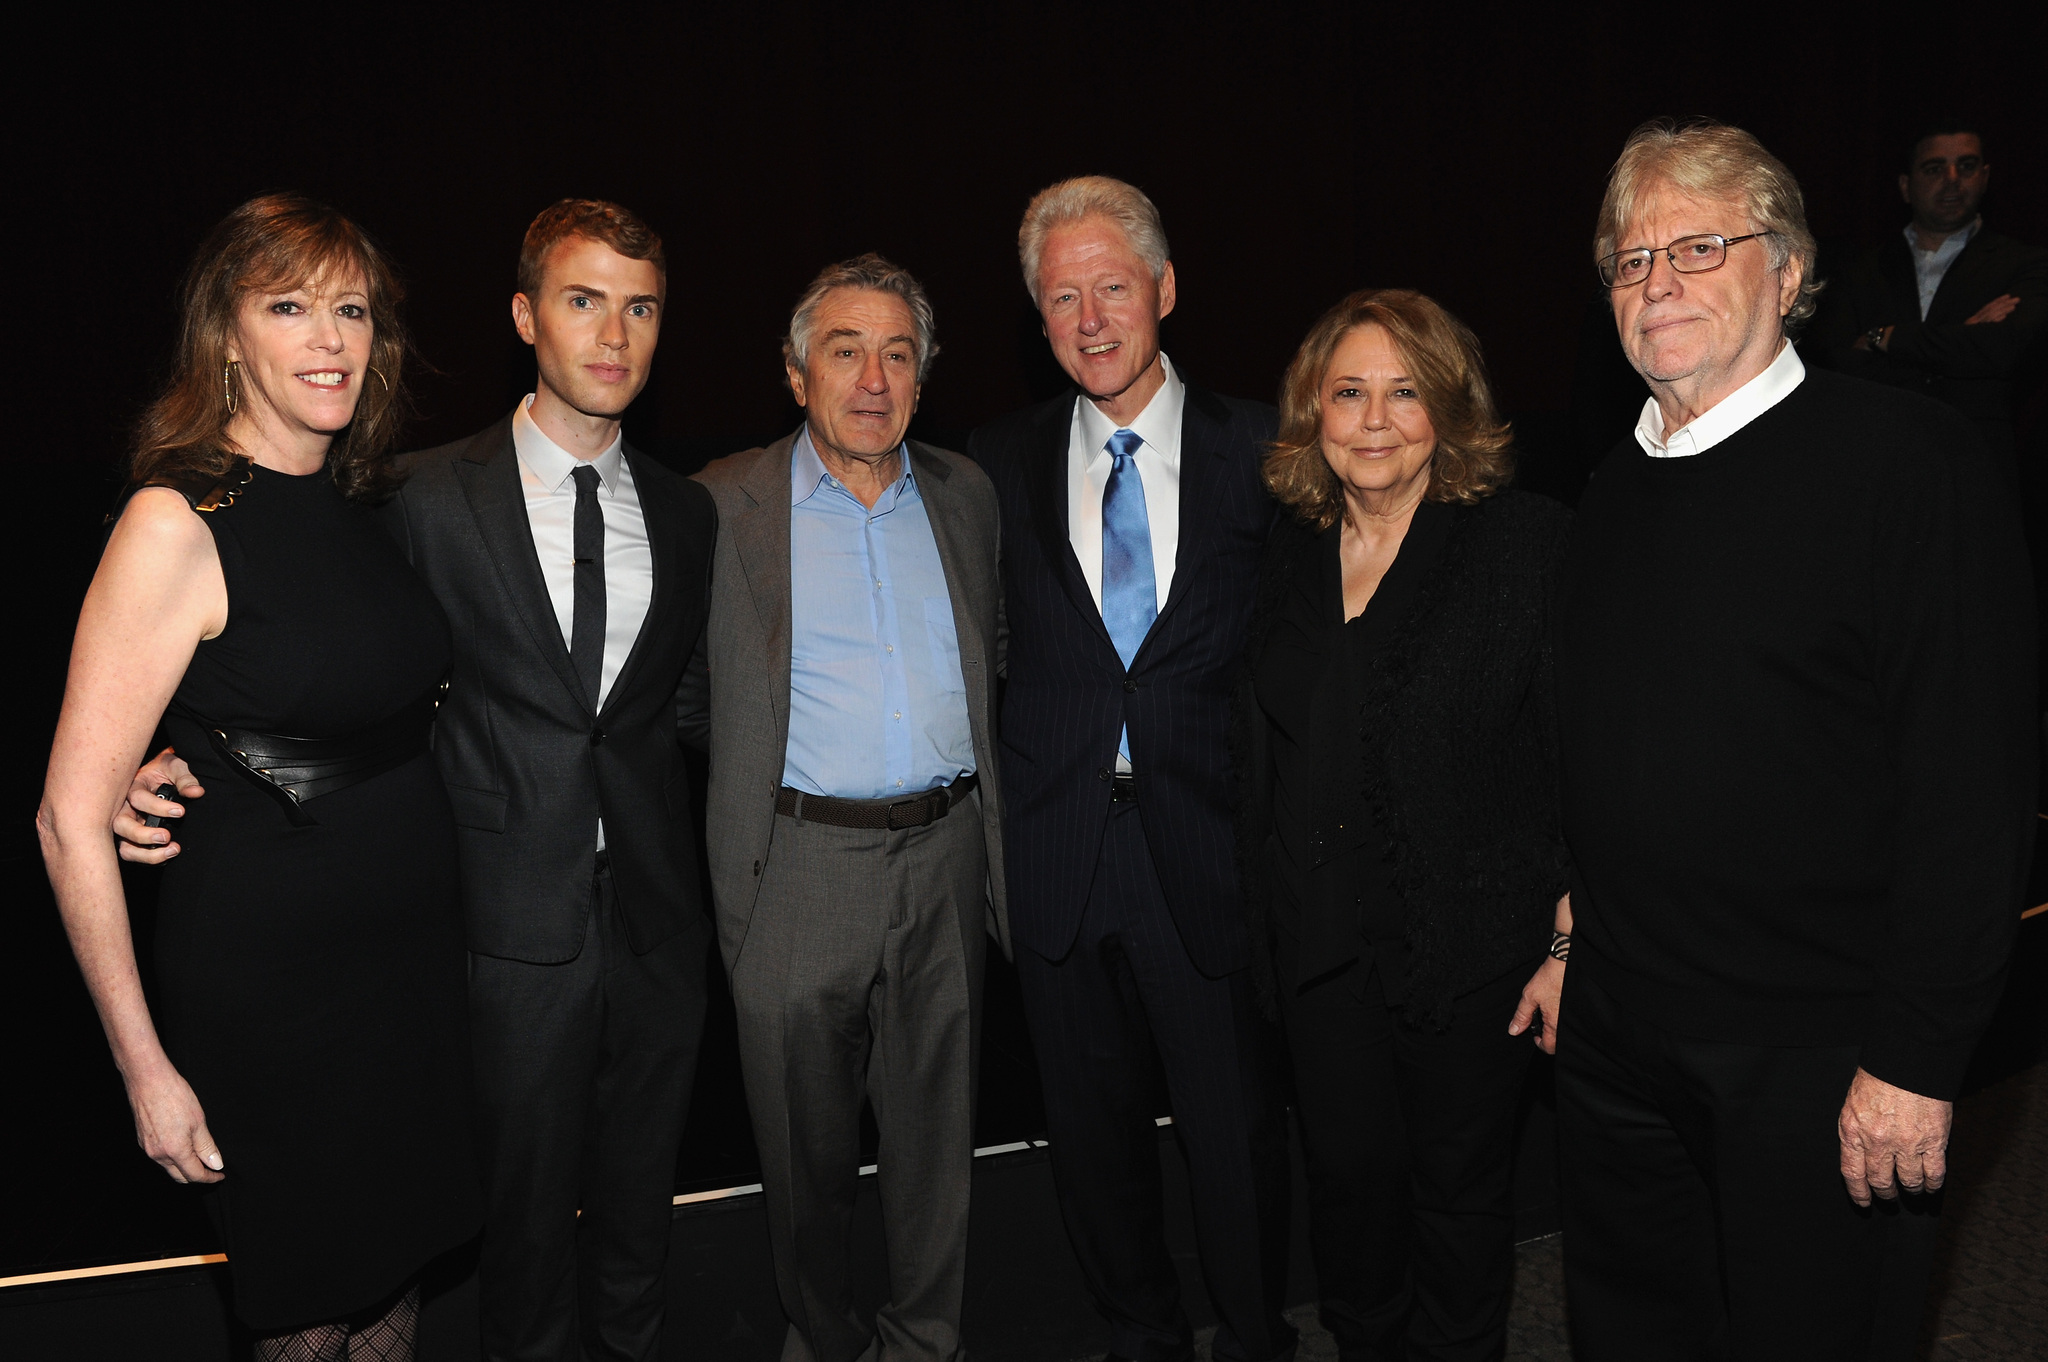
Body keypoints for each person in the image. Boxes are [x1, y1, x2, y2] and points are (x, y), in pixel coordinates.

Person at [122, 199, 718, 1362]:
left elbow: (687, 709)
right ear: (523, 316)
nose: (613, 334)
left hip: (656, 931)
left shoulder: (691, 513)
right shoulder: (411, 495)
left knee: (643, 1226)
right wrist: (164, 750)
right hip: (486, 931)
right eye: (582, 299)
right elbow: (298, 645)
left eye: (640, 307)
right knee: (516, 1242)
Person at [1555, 118, 2036, 1360]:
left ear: (1786, 269)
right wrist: (1570, 943)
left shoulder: (1907, 465)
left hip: (1817, 1060)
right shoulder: (1605, 490)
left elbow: (1968, 790)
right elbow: (1597, 754)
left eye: (1695, 246)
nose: (1653, 281)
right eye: (1627, 259)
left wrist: (1916, 1060)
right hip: (1616, 1044)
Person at [41, 193, 480, 1359]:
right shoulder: (175, 519)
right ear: (227, 336)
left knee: (391, 1282)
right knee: (306, 1309)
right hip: (274, 1005)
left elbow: (336, 702)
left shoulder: (355, 503)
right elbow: (65, 821)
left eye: (350, 310)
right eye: (289, 307)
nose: (329, 339)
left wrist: (195, 745)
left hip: (406, 984)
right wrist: (146, 1073)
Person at [968, 177, 1294, 1362]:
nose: (1090, 317)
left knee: (1233, 1138)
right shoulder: (987, 466)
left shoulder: (1264, 449)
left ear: (1163, 288)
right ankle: (1139, 1338)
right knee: (1089, 1142)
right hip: (1060, 853)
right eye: (1062, 296)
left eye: (1111, 286)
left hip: (1204, 852)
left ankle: (1258, 1340)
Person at [1234, 288, 1573, 1361]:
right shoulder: (1283, 552)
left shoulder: (1525, 548)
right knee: (1347, 1197)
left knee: (1458, 1210)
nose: (1373, 420)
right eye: (1347, 392)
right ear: (1311, 411)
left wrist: (1570, 940)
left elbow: (1582, 761)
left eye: (1403, 392)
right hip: (1319, 951)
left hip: (1466, 955)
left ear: (1448, 410)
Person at [693, 253, 1006, 1362]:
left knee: (937, 1143)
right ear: (794, 374)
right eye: (843, 350)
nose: (872, 379)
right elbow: (677, 695)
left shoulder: (968, 496)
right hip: (794, 867)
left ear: (922, 377)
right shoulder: (720, 503)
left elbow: (998, 659)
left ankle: (925, 1340)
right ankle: (819, 1340)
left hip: (947, 855)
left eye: (897, 353)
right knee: (801, 1154)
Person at [1808, 122, 2048, 468]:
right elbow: (1836, 366)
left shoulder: (2026, 265)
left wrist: (1883, 338)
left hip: (1977, 463)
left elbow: (2003, 349)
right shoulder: (1856, 270)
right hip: (1872, 457)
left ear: (1985, 176)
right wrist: (1962, 339)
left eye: (1966, 166)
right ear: (1906, 186)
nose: (1952, 179)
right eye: (1934, 168)